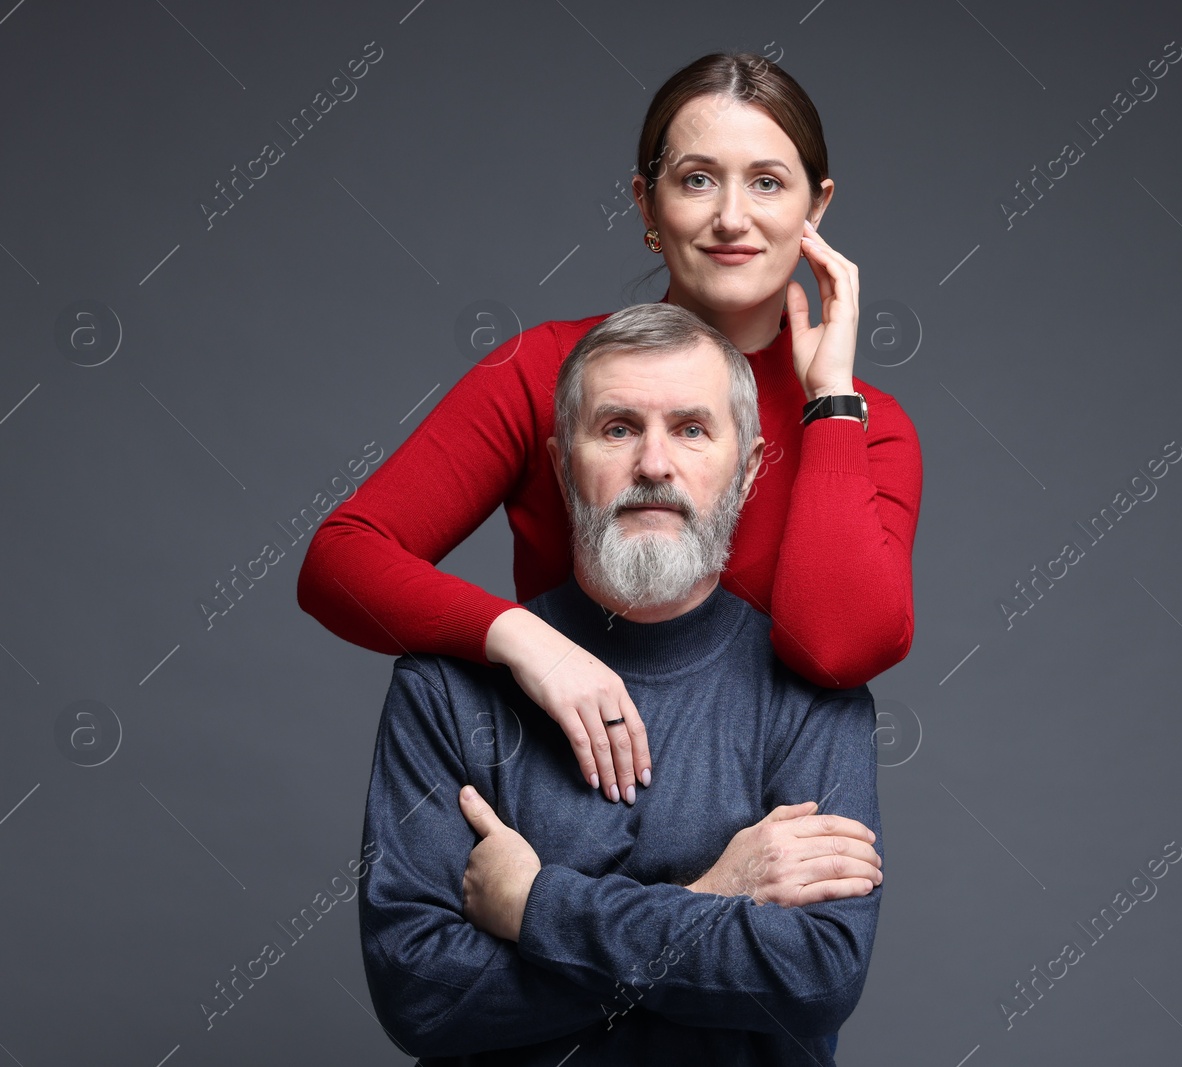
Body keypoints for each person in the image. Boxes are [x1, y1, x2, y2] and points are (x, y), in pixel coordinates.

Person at [299, 51, 921, 809]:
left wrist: (828, 399)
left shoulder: (864, 427)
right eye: (696, 179)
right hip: (566, 798)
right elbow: (339, 562)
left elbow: (838, 647)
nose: (732, 216)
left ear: (815, 208)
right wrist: (529, 643)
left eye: (767, 181)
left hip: (760, 826)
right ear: (646, 203)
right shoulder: (546, 373)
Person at [358, 304, 883, 1065]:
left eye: (692, 429)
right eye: (617, 428)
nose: (654, 464)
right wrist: (711, 897)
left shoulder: (814, 689)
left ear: (750, 467)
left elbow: (814, 977)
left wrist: (537, 906)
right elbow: (424, 997)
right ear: (564, 462)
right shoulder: (445, 689)